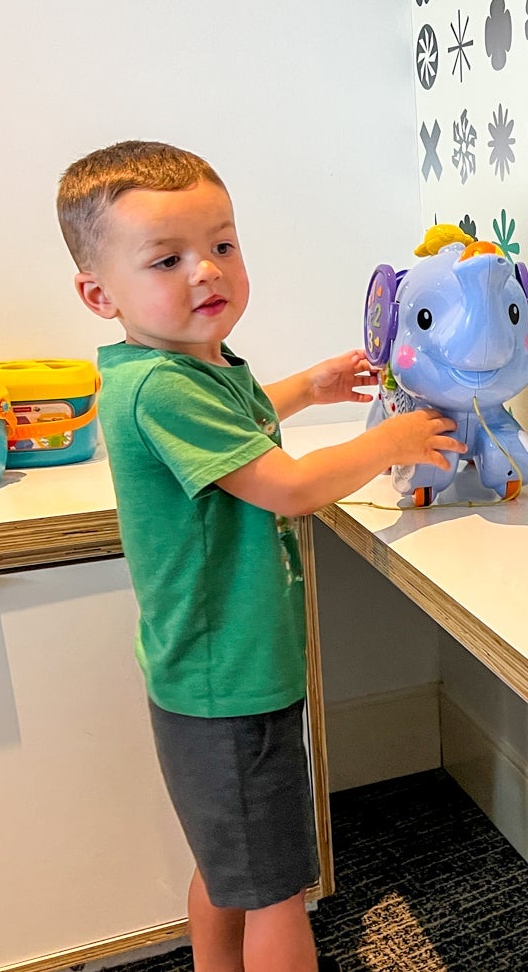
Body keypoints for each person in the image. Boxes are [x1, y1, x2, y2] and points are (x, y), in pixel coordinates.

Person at [58, 140, 463, 972]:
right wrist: (392, 438)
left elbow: (242, 418)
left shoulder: (185, 367)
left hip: (214, 677)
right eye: (167, 258)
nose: (206, 272)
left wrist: (305, 389)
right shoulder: (162, 386)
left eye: (222, 245)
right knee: (278, 892)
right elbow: (290, 486)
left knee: (232, 870)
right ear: (100, 294)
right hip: (229, 687)